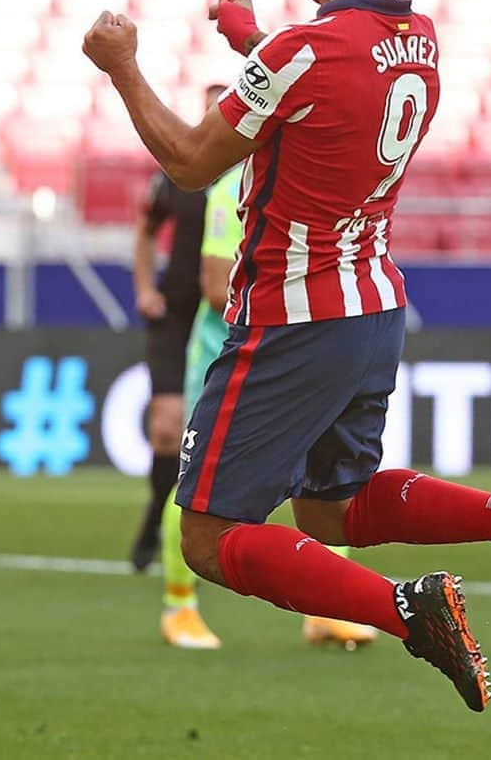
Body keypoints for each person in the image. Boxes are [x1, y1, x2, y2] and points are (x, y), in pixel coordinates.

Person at [83, 0, 491, 711]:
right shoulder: (420, 43)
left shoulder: (303, 52)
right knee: (331, 510)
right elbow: (330, 89)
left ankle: (410, 609)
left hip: (291, 318)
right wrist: (254, 40)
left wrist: (121, 66)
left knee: (210, 538)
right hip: (372, 306)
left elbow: (189, 160)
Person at [159, 161, 376, 651]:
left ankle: (327, 609)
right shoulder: (234, 187)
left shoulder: (314, 175)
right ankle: (180, 608)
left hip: (297, 352)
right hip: (231, 356)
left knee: (328, 475)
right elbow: (216, 289)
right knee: (198, 484)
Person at [128, 85, 224, 571]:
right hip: (175, 312)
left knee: (202, 432)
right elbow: (145, 231)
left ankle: (183, 532)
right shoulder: (178, 172)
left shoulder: (250, 172)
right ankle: (155, 520)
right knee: (166, 429)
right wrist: (145, 287)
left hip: (223, 315)